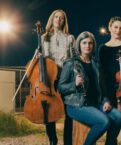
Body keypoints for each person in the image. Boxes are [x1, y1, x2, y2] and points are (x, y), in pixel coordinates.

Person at [58, 31, 121, 145]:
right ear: (79, 45)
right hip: (77, 105)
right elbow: (61, 87)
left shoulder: (96, 64)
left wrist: (106, 101)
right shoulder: (70, 63)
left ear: (93, 45)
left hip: (96, 103)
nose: (87, 46)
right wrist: (74, 84)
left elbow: (101, 87)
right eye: (84, 43)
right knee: (104, 121)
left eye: (90, 43)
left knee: (118, 117)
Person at [97, 16, 121, 145]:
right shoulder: (103, 48)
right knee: (112, 118)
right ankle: (111, 141)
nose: (118, 30)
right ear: (110, 28)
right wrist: (106, 95)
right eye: (116, 27)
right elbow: (101, 72)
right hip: (108, 88)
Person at [41, 9, 75, 145]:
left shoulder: (69, 38)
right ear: (52, 19)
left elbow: (73, 59)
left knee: (69, 112)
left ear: (64, 21)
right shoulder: (44, 37)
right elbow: (44, 58)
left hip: (65, 77)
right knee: (49, 112)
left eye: (61, 18)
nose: (58, 20)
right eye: (56, 17)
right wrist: (39, 56)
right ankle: (53, 140)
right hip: (50, 78)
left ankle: (68, 142)